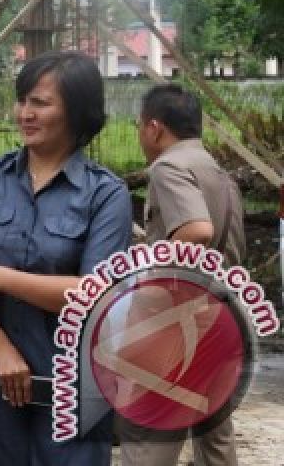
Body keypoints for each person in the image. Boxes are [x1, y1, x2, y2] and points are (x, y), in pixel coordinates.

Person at [0, 51, 132, 466]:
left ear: (76, 111)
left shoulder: (106, 195)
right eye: (22, 100)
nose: (25, 113)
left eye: (40, 103)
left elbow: (93, 293)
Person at [117, 83, 245, 466]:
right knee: (215, 439)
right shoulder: (217, 170)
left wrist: (149, 263)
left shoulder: (169, 167)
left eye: (139, 125)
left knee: (149, 439)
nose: (140, 134)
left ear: (154, 127)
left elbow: (197, 230)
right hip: (224, 317)